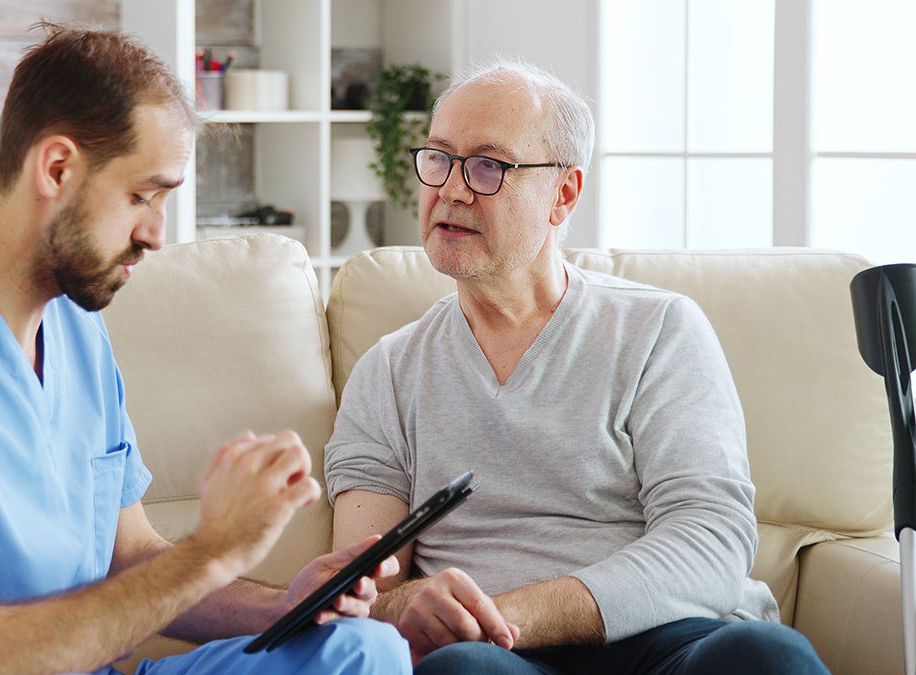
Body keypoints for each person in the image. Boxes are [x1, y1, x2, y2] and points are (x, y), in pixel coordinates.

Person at [0, 26, 411, 675]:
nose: (156, 234)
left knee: (364, 650)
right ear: (58, 168)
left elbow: (128, 555)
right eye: (141, 196)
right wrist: (213, 550)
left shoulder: (73, 327)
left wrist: (284, 603)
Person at [324, 59, 829, 675]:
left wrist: (510, 615)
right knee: (461, 673)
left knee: (768, 656)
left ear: (563, 194)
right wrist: (405, 607)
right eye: (439, 157)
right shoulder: (388, 372)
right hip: (497, 662)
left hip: (668, 641)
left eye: (489, 165)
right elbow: (359, 590)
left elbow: (710, 542)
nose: (451, 189)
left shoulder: (660, 329)